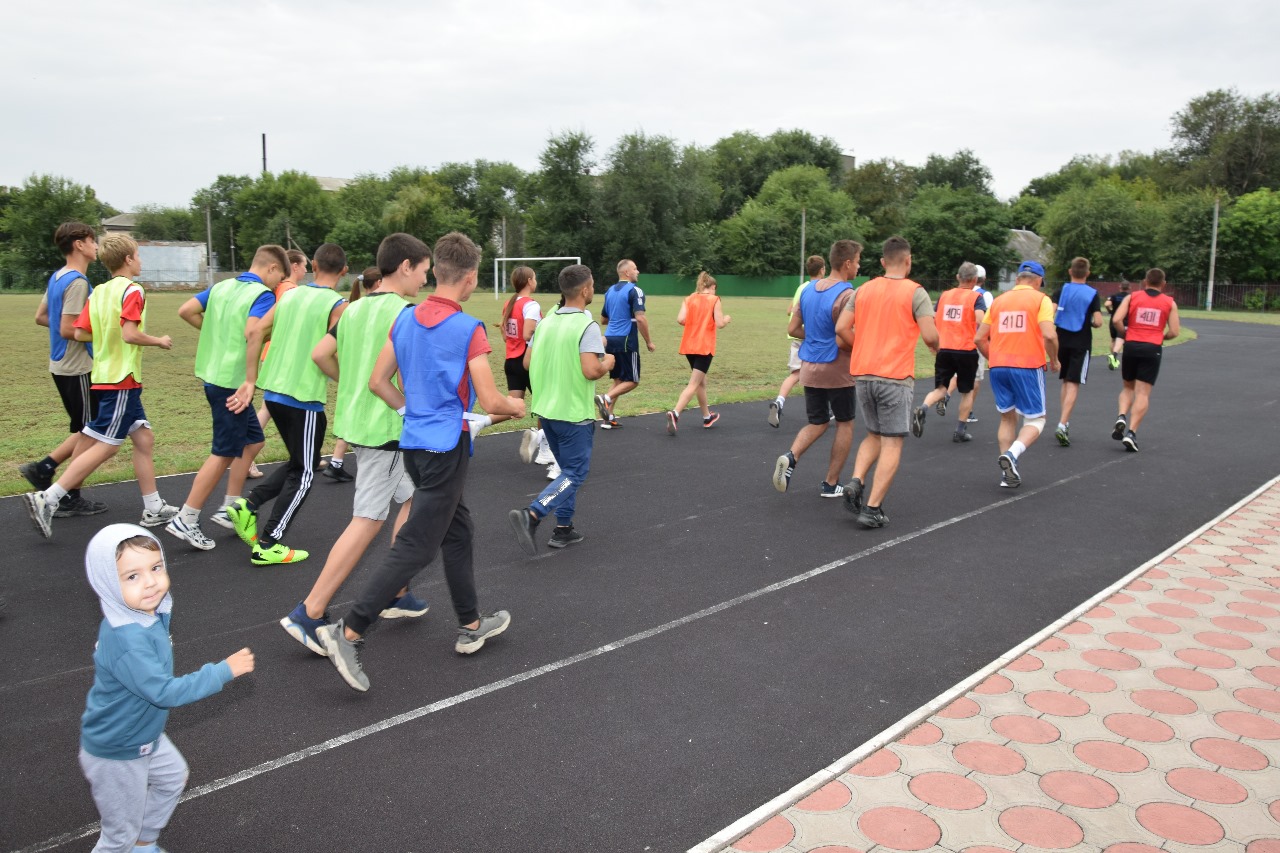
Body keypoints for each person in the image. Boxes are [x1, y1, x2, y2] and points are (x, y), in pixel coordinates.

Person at [316, 232, 523, 692]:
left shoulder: (406, 319)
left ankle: (471, 624)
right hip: (444, 451)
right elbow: (490, 398)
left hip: (413, 445)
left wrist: (412, 412)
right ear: (469, 279)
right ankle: (348, 631)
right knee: (415, 546)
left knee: (459, 529)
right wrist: (516, 407)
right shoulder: (468, 329)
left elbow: (377, 381)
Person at [281, 239, 431, 654]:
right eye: (422, 269)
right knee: (367, 519)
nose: (425, 277)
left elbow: (320, 354)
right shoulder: (406, 313)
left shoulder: (354, 308)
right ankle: (309, 613)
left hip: (364, 424)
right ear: (404, 266)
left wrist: (349, 379)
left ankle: (397, 591)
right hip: (386, 430)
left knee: (416, 499)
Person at [79, 524, 253, 853]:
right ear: (106, 582)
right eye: (132, 576)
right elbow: (165, 693)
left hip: (143, 734)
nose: (150, 582)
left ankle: (144, 845)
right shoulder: (128, 639)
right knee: (118, 836)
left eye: (156, 567)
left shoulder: (144, 613)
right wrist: (222, 671)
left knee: (173, 778)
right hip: (118, 750)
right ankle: (132, 844)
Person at [24, 235, 179, 539]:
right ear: (128, 260)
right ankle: (49, 498)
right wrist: (158, 341)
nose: (141, 261)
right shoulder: (133, 290)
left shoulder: (99, 292)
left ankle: (153, 507)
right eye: (138, 255)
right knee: (108, 445)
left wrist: (106, 337)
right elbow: (131, 334)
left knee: (144, 438)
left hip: (105, 376)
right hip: (122, 378)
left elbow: (80, 332)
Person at [222, 243, 348, 566]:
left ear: (314, 264)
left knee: (297, 461)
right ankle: (269, 542)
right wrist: (345, 379)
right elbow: (329, 353)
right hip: (303, 398)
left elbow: (255, 332)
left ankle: (248, 505)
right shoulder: (338, 305)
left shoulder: (289, 295)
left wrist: (250, 379)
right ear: (345, 272)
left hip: (274, 393)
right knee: (306, 472)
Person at [163, 246, 284, 550]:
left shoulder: (221, 286)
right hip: (233, 382)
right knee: (223, 452)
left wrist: (214, 332)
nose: (277, 283)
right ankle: (186, 518)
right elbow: (251, 331)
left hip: (213, 375)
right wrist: (270, 335)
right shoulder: (261, 295)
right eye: (279, 276)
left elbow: (186, 310)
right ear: (271, 268)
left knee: (253, 441)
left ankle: (229, 507)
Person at [508, 263, 613, 553]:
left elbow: (527, 363)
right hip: (573, 413)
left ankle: (563, 528)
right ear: (584, 290)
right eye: (592, 285)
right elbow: (592, 370)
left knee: (567, 472)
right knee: (576, 473)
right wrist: (609, 362)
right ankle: (532, 514)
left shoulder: (546, 321)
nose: (593, 289)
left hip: (547, 411)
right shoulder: (586, 325)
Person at [839, 236, 938, 528]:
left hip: (863, 375)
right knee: (892, 442)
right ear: (908, 261)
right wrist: (936, 346)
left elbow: (841, 327)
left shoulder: (863, 289)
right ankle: (871, 509)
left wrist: (861, 347)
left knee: (873, 435)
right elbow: (931, 336)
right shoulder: (916, 292)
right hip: (894, 376)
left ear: (883, 262)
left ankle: (856, 481)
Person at [21, 222, 108, 517]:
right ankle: (68, 495)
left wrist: (65, 328)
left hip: (60, 365)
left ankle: (43, 468)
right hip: (78, 367)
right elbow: (68, 327)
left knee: (85, 427)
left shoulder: (57, 277)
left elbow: (42, 317)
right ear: (79, 244)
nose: (96, 246)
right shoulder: (78, 282)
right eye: (92, 241)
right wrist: (104, 333)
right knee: (91, 431)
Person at [772, 240, 861, 498]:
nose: (858, 266)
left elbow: (792, 329)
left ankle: (791, 456)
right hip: (837, 370)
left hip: (809, 366)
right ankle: (830, 484)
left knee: (818, 421)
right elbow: (844, 334)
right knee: (845, 423)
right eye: (857, 261)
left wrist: (814, 339)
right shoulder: (848, 294)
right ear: (846, 263)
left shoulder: (808, 289)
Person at [975, 260, 1058, 488]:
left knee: (1007, 417)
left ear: (1018, 278)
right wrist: (1055, 359)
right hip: (1028, 364)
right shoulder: (1042, 300)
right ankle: (1012, 455)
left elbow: (979, 338)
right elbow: (1049, 335)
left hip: (998, 366)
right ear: (1039, 280)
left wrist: (996, 358)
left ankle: (1006, 474)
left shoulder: (999, 301)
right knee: (1037, 419)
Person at [247, 249, 308, 480]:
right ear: (293, 266)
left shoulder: (280, 289)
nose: (305, 270)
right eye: (303, 266)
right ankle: (249, 458)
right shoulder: (291, 291)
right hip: (283, 355)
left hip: (272, 353)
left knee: (275, 407)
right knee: (276, 407)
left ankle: (302, 456)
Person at [912, 261, 985, 443]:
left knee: (941, 388)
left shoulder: (944, 296)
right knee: (967, 391)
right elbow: (981, 319)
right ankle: (960, 430)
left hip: (944, 348)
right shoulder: (975, 297)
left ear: (958, 278)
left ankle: (923, 407)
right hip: (966, 350)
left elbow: (934, 318)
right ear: (975, 280)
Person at [1111, 268, 1179, 452]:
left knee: (1127, 387)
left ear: (1144, 281)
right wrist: (1162, 337)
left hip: (1132, 345)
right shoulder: (1169, 302)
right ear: (1163, 284)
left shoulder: (1132, 297)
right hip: (1152, 348)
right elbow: (1174, 331)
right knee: (1143, 393)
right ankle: (1131, 432)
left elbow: (1117, 319)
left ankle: (1121, 415)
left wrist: (1126, 333)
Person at [324, 265, 378, 484]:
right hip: (365, 367)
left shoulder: (352, 309)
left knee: (350, 413)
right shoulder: (369, 310)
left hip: (351, 367)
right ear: (378, 284)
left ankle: (337, 461)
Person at [667, 272, 731, 434]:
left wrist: (695, 322)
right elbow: (720, 324)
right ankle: (675, 413)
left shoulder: (689, 299)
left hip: (689, 345)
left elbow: (681, 319)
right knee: (694, 383)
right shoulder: (714, 300)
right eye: (715, 289)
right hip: (704, 346)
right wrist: (727, 319)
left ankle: (706, 416)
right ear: (712, 287)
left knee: (701, 381)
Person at [595, 259, 654, 428]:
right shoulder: (635, 290)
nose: (638, 271)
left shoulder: (610, 291)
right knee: (633, 381)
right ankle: (605, 398)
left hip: (609, 339)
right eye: (635, 269)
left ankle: (608, 418)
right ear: (627, 272)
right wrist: (649, 341)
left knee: (619, 379)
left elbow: (604, 319)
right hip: (627, 339)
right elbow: (641, 318)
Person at [1052, 256, 1103, 446]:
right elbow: (1098, 321)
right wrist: (1090, 321)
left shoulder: (1061, 290)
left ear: (1070, 271)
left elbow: (1050, 312)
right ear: (1087, 273)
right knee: (1074, 382)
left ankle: (1063, 420)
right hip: (1080, 341)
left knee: (1065, 380)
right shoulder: (1092, 293)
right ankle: (1063, 423)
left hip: (1061, 339)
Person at [769, 255, 825, 428]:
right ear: (822, 270)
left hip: (795, 337)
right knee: (822, 373)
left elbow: (790, 310)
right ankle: (824, 409)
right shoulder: (821, 287)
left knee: (795, 375)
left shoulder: (801, 287)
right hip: (811, 337)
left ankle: (779, 402)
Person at [1106, 280, 1131, 370]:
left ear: (1120, 287)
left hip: (1113, 321)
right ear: (1129, 288)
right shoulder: (1130, 297)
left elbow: (1107, 304)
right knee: (1124, 341)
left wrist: (1110, 311)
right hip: (1124, 321)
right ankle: (1123, 360)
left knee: (1113, 340)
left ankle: (1113, 358)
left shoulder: (1114, 296)